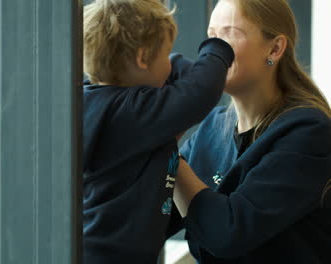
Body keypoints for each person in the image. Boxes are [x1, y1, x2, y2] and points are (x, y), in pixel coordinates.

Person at [173, 0, 331, 263]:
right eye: (212, 35)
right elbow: (160, 212)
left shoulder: (309, 132)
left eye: (230, 33)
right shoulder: (213, 126)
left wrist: (168, 153)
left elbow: (230, 234)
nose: (211, 51)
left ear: (275, 48)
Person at [82, 0, 234, 263]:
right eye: (165, 54)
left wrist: (168, 61)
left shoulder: (97, 103)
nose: (170, 63)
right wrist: (217, 48)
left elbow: (180, 81)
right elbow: (199, 92)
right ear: (142, 58)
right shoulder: (132, 110)